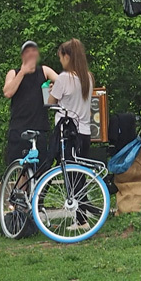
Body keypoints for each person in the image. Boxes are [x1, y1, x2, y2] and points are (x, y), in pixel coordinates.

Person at [47, 38, 94, 228]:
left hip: (67, 132)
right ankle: (82, 215)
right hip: (84, 132)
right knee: (79, 174)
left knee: (69, 175)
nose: (60, 61)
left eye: (61, 57)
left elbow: (51, 102)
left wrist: (52, 90)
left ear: (67, 56)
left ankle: (81, 218)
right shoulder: (88, 78)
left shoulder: (64, 78)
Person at [3, 40, 58, 164]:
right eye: (27, 51)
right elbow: (8, 92)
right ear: (22, 55)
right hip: (19, 129)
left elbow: (63, 83)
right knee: (21, 167)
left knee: (41, 167)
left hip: (40, 128)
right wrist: (22, 72)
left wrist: (54, 87)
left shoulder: (44, 71)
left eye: (34, 51)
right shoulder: (14, 73)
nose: (31, 54)